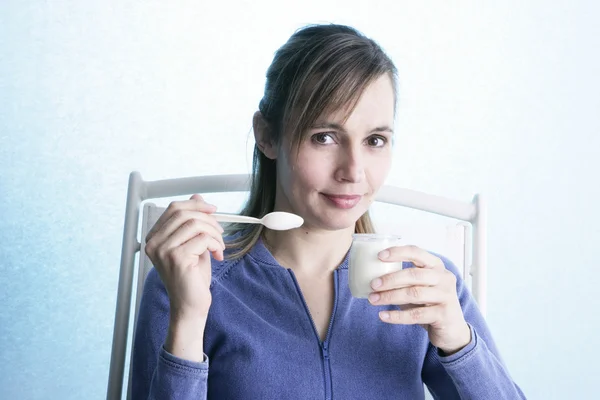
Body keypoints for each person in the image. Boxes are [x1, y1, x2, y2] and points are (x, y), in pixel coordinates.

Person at [132, 23, 526, 399]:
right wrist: (188, 318)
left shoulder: (428, 288)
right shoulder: (187, 283)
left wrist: (459, 342)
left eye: (375, 140)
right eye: (324, 137)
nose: (354, 171)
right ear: (267, 136)